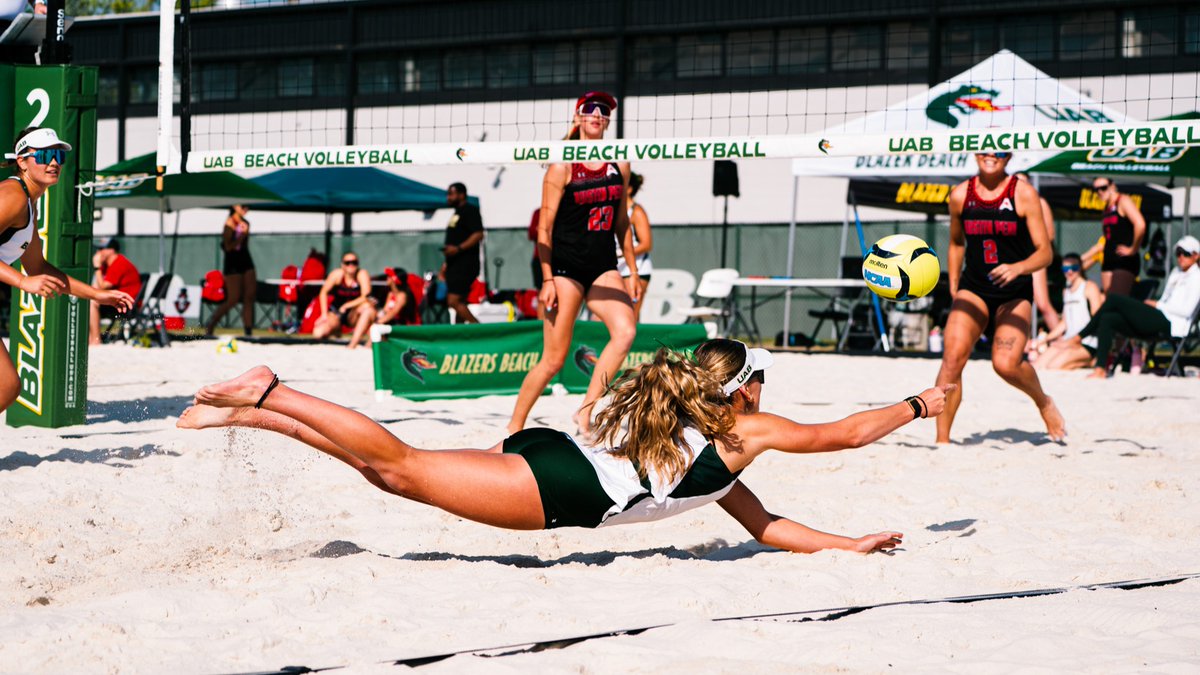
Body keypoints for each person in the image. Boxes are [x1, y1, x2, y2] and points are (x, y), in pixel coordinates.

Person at [179, 339, 953, 553]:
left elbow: (765, 524)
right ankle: (273, 390)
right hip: (566, 492)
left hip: (557, 462)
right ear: (743, 388)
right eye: (764, 379)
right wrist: (923, 401)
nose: (767, 392)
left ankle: (256, 416)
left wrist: (847, 543)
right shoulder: (742, 433)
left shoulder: (711, 452)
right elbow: (843, 433)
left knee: (395, 477)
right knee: (401, 466)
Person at [508, 91, 641, 437]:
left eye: (604, 110)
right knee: (553, 360)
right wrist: (547, 278)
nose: (598, 113)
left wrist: (633, 271)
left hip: (603, 266)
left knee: (625, 332)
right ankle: (514, 426)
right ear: (579, 116)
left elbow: (621, 224)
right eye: (591, 108)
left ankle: (585, 410)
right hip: (565, 268)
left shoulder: (619, 163)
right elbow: (544, 229)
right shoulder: (561, 165)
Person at [935, 151, 1065, 444]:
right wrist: (954, 283)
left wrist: (1018, 267)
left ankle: (1043, 401)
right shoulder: (960, 195)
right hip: (974, 287)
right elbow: (956, 243)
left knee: (1005, 364)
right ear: (975, 152)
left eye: (1000, 151)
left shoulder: (1023, 192)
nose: (991, 156)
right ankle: (942, 442)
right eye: (986, 149)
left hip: (1013, 292)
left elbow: (1045, 253)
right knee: (952, 359)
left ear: (1009, 157)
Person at [1, 127, 134, 412]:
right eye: (46, 155)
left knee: (7, 387)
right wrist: (24, 283)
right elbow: (31, 276)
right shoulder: (12, 195)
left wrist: (97, 295)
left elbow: (38, 266)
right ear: (22, 160)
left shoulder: (28, 203)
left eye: (59, 156)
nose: (54, 163)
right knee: (7, 386)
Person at [1067, 236, 1200, 379]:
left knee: (1113, 299)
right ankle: (1100, 368)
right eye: (1178, 253)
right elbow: (1166, 299)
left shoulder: (1197, 277)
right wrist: (1158, 305)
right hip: (1160, 315)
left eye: (1185, 253)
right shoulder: (1176, 273)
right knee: (1108, 318)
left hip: (1174, 324)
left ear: (1196, 255)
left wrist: (1158, 304)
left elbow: (1186, 311)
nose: (1181, 257)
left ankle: (1079, 336)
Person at [1029, 253, 1101, 371]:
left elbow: (1097, 320)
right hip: (1068, 341)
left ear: (1081, 268)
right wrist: (1044, 339)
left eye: (1074, 268)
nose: (1070, 272)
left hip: (1087, 343)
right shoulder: (1066, 291)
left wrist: (1076, 340)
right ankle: (1081, 362)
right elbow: (1064, 323)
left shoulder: (1089, 287)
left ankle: (1090, 361)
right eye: (1066, 268)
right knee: (1038, 365)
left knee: (1054, 366)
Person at [1081, 178, 1145, 298]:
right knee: (1109, 301)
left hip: (1124, 261)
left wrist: (1133, 249)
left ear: (1112, 186)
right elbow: (1105, 240)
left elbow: (1140, 224)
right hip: (1109, 260)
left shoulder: (1123, 201)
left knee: (1117, 302)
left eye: (1103, 188)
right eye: (1096, 189)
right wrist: (1080, 260)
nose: (1100, 192)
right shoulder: (1107, 208)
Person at [1014, 173, 1060, 333]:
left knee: (1042, 303)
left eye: (1023, 181)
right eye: (1017, 181)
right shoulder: (1009, 203)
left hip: (1034, 257)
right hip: (1014, 258)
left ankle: (1063, 340)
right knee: (1016, 304)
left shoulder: (1039, 202)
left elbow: (1050, 234)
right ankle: (1023, 343)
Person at [204, 204, 256, 337]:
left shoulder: (246, 223)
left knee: (249, 296)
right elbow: (228, 247)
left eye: (247, 207)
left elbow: (244, 247)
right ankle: (211, 324)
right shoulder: (229, 223)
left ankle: (248, 330)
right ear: (235, 206)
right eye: (243, 206)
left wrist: (244, 235)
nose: (246, 209)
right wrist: (242, 236)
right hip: (232, 264)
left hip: (246, 262)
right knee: (233, 298)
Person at [312, 251, 377, 349]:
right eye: (348, 263)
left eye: (354, 262)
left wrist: (347, 305)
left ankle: (353, 344)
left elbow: (366, 296)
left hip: (354, 314)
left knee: (368, 308)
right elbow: (323, 292)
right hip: (337, 313)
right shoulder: (337, 274)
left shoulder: (362, 274)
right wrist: (324, 314)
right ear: (342, 265)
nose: (351, 265)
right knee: (318, 333)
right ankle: (336, 332)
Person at [441, 182, 484, 324]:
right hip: (454, 264)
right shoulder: (457, 213)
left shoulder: (470, 210)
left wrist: (458, 248)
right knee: (460, 301)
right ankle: (461, 335)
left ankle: (479, 330)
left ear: (462, 194)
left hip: (465, 264)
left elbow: (478, 234)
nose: (448, 198)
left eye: (451, 194)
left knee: (453, 301)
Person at [88, 237, 142, 345]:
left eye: (102, 249)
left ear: (111, 250)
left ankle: (95, 340)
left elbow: (103, 287)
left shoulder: (119, 263)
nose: (98, 252)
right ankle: (90, 338)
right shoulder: (107, 265)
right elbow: (97, 287)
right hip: (117, 301)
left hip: (127, 305)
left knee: (92, 302)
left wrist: (97, 267)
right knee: (88, 299)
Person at [616, 172, 653, 321]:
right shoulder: (614, 210)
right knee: (604, 318)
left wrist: (621, 254)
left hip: (636, 268)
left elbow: (646, 244)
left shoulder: (636, 212)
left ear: (629, 188)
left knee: (630, 316)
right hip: (616, 269)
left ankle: (635, 345)